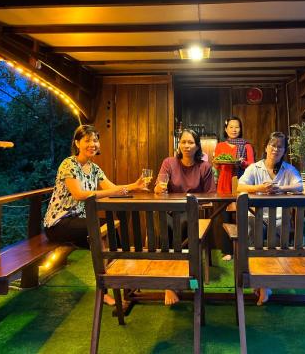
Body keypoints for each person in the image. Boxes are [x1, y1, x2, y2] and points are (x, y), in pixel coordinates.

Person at [44, 124, 147, 306]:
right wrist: (105, 194)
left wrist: (134, 186)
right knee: (101, 233)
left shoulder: (94, 168)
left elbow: (112, 188)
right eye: (87, 140)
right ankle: (106, 291)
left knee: (112, 233)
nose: (92, 144)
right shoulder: (69, 164)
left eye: (95, 140)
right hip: (58, 223)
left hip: (81, 221)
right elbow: (79, 194)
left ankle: (125, 284)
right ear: (77, 143)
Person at [237, 131, 302, 305]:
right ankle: (262, 282)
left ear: (284, 151)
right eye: (273, 145)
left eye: (280, 146)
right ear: (266, 147)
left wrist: (281, 189)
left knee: (278, 238)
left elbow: (300, 185)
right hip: (256, 215)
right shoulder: (254, 167)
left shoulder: (288, 169)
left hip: (280, 218)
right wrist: (261, 187)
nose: (276, 149)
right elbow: (239, 186)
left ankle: (264, 282)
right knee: (252, 230)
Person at [155, 128, 216, 305]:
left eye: (191, 142)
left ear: (197, 146)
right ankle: (170, 285)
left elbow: (211, 195)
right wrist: (159, 189)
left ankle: (187, 279)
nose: (187, 146)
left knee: (184, 226)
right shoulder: (169, 162)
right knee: (165, 226)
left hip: (192, 212)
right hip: (170, 211)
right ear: (178, 144)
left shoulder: (204, 166)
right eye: (183, 142)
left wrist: (195, 204)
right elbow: (159, 187)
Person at [213, 116, 255, 261]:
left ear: (240, 128)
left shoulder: (247, 145)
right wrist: (216, 161)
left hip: (241, 183)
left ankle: (243, 250)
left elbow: (252, 165)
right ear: (226, 129)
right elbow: (217, 165)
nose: (234, 129)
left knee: (242, 217)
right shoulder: (220, 146)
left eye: (236, 126)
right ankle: (227, 251)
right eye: (230, 127)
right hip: (224, 185)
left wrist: (241, 163)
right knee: (225, 219)